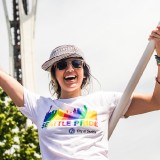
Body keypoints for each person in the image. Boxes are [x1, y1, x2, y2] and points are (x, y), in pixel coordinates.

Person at [0, 26, 160, 160]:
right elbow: (3, 77)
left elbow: (156, 101)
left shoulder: (105, 101)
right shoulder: (39, 106)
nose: (70, 69)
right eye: (62, 65)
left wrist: (159, 55)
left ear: (84, 70)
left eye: (76, 63)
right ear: (54, 74)